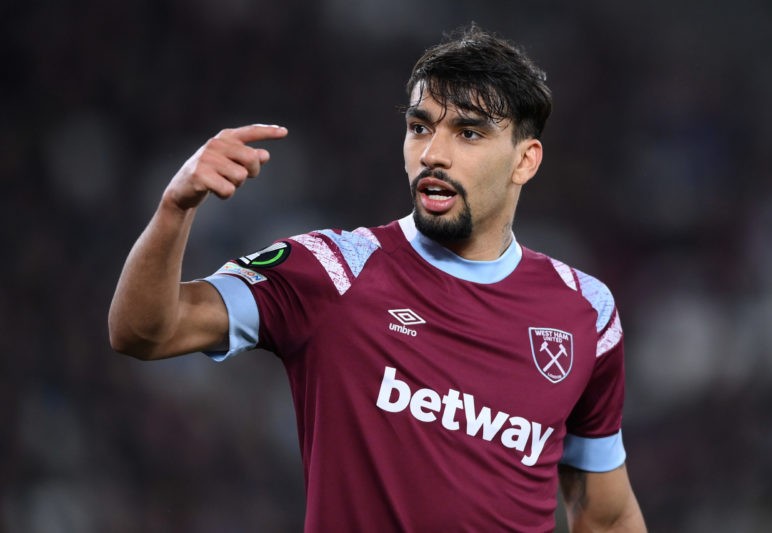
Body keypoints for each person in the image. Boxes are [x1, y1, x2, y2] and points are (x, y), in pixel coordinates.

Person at [109, 24, 646, 532]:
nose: (434, 154)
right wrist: (175, 207)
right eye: (420, 128)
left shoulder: (585, 313)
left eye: (469, 133)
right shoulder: (331, 271)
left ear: (525, 161)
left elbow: (605, 514)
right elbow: (143, 332)